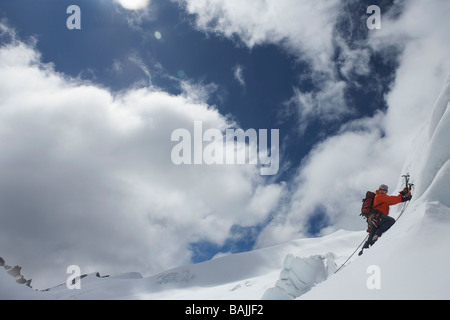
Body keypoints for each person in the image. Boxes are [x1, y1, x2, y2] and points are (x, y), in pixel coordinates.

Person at [362, 184, 411, 250]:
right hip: (377, 218)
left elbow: (392, 200)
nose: (382, 191)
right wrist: (405, 199)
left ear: (386, 191)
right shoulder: (378, 196)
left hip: (374, 220)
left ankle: (363, 251)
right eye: (381, 189)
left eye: (384, 190)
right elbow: (391, 199)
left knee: (370, 238)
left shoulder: (383, 199)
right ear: (379, 190)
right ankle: (377, 234)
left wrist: (402, 194)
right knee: (391, 221)